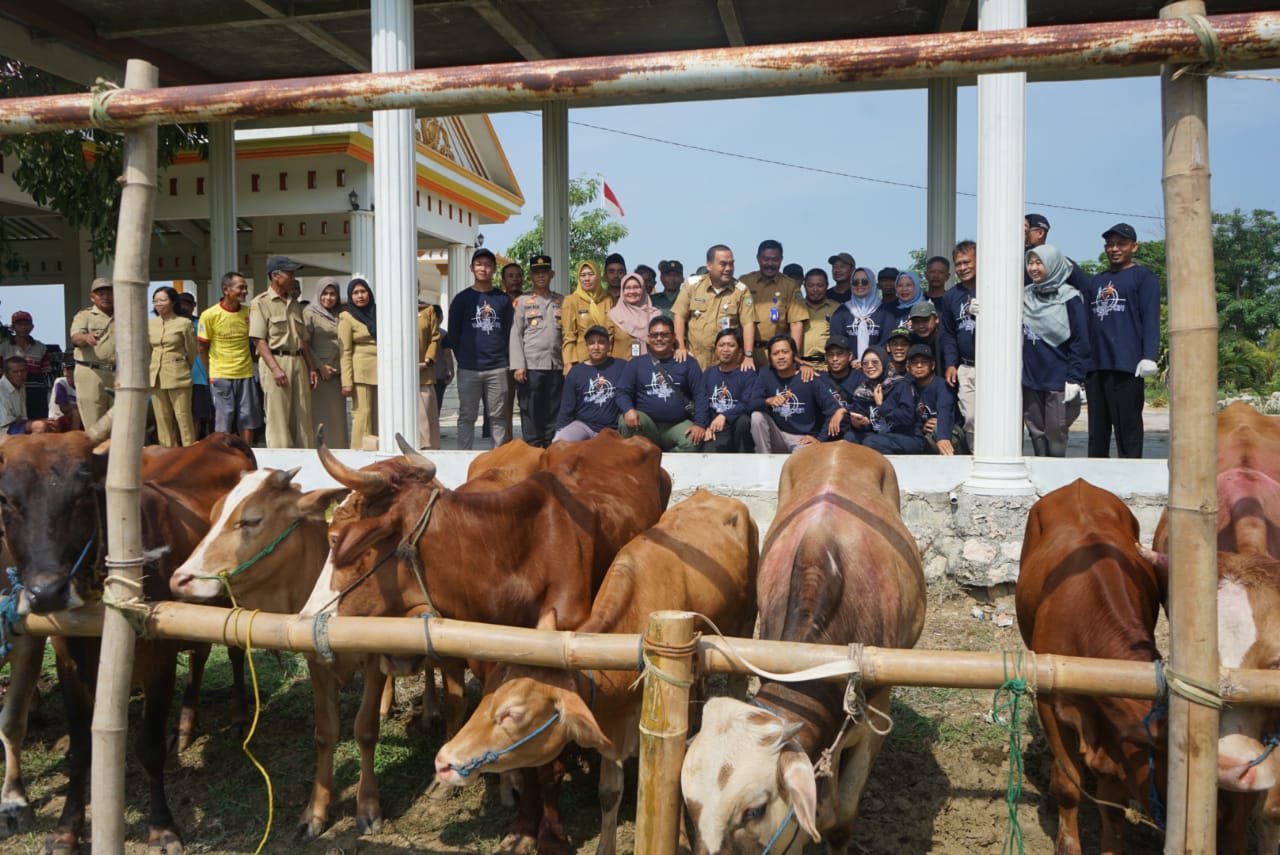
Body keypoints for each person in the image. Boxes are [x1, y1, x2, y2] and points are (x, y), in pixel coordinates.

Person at [1086, 223, 1161, 459]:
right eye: (1110, 244)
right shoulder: (1096, 282)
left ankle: (1131, 476)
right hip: (1097, 366)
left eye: (1121, 243)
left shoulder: (1143, 278)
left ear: (1134, 247)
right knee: (1097, 432)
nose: (1114, 248)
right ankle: (1094, 480)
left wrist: (1149, 355)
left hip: (1127, 366)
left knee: (1127, 429)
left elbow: (1150, 317)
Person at [1023, 244, 1091, 458]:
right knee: (1035, 430)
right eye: (1030, 262)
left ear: (1052, 265)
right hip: (1031, 377)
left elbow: (1081, 340)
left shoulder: (1069, 298)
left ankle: (1056, 477)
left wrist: (1074, 377)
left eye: (1039, 263)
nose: (1033, 268)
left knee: (1056, 430)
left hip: (1058, 378)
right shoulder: (1025, 295)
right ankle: (1040, 475)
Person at [449, 247, 514, 449]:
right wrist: (464, 358)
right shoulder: (461, 299)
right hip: (469, 368)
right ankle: (463, 457)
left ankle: (498, 458)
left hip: (497, 367)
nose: (483, 268)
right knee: (467, 415)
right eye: (479, 264)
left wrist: (504, 359)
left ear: (494, 269)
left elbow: (509, 333)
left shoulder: (502, 299)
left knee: (498, 416)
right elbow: (453, 334)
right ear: (472, 268)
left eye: (487, 265)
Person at [250, 255, 318, 448]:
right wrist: (275, 368)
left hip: (298, 361)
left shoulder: (294, 303)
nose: (293, 277)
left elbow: (303, 339)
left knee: (303, 416)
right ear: (275, 276)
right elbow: (258, 339)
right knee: (278, 415)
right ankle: (280, 462)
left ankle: (306, 458)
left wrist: (311, 368)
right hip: (276, 360)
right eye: (290, 273)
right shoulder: (261, 303)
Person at [616, 315, 704, 452]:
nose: (659, 339)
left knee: (692, 441)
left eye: (664, 335)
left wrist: (700, 424)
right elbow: (622, 392)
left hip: (676, 424)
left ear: (674, 337)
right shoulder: (636, 364)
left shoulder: (688, 363)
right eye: (655, 335)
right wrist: (628, 410)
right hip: (646, 424)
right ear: (649, 338)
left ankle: (664, 464)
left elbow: (701, 395)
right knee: (624, 421)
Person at [199, 272, 261, 446]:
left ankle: (246, 453)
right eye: (240, 287)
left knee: (247, 418)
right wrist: (211, 373)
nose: (245, 291)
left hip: (246, 373)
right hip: (221, 375)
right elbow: (202, 347)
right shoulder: (209, 315)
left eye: (245, 288)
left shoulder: (248, 313)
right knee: (224, 419)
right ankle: (222, 456)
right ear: (226, 290)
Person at [509, 254, 564, 448]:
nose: (541, 276)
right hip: (531, 365)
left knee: (553, 408)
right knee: (530, 409)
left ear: (552, 274)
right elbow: (515, 334)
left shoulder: (561, 301)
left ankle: (550, 446)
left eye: (545, 272)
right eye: (536, 273)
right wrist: (517, 366)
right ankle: (532, 447)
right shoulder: (523, 302)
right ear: (531, 276)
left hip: (556, 364)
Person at [672, 244, 756, 370]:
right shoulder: (692, 286)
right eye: (723, 264)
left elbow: (748, 324)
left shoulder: (741, 290)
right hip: (695, 361)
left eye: (731, 264)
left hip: (726, 365)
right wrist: (681, 347)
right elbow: (679, 316)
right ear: (709, 265)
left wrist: (748, 355)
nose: (728, 268)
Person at [750, 335, 837, 453]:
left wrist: (820, 439)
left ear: (794, 354)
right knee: (757, 417)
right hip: (778, 436)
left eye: (785, 352)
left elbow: (833, 409)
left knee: (801, 466)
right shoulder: (766, 373)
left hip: (802, 440)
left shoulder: (808, 376)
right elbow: (751, 404)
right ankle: (763, 462)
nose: (780, 357)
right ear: (770, 358)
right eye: (775, 353)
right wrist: (768, 401)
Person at [553, 325, 628, 443]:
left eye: (601, 342)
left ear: (609, 346)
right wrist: (559, 431)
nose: (596, 347)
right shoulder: (576, 372)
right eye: (591, 343)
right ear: (586, 346)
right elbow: (566, 409)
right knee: (559, 442)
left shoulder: (621, 366)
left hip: (612, 428)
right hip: (583, 425)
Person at [938, 239, 978, 450]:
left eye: (967, 262)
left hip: (993, 367)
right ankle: (976, 457)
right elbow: (949, 334)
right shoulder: (951, 296)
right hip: (966, 367)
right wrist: (951, 364)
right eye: (959, 264)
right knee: (970, 418)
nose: (962, 268)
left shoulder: (992, 288)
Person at [741, 239, 805, 368]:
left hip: (777, 355)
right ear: (758, 258)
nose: (770, 264)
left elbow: (796, 323)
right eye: (766, 259)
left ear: (781, 259)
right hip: (746, 354)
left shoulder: (790, 286)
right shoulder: (744, 282)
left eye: (775, 260)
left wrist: (794, 355)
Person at [697, 327, 762, 453]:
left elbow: (747, 403)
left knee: (744, 421)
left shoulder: (747, 373)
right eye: (721, 345)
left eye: (731, 345)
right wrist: (704, 426)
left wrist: (725, 415)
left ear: (739, 350)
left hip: (737, 428)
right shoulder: (708, 373)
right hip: (716, 428)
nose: (725, 349)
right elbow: (702, 403)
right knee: (709, 455)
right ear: (715, 349)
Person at [148, 286, 198, 447]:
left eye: (162, 300)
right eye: (155, 301)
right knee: (162, 418)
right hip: (156, 377)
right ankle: (166, 452)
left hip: (178, 375)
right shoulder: (151, 324)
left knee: (183, 416)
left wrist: (183, 367)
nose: (158, 304)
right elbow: (149, 350)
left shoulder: (184, 323)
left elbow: (192, 351)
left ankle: (189, 451)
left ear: (173, 302)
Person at [305, 277, 349, 450]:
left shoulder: (341, 315)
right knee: (321, 416)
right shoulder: (310, 314)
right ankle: (321, 452)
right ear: (318, 294)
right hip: (321, 376)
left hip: (338, 374)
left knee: (337, 418)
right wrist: (319, 366)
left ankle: (339, 452)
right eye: (325, 293)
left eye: (332, 294)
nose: (328, 298)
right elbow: (304, 344)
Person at [69, 277, 116, 428]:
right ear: (92, 297)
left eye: (109, 293)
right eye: (100, 294)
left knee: (120, 423)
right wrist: (85, 337)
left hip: (118, 374)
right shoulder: (84, 316)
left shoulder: (125, 315)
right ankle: (95, 452)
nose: (106, 297)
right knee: (94, 424)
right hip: (91, 372)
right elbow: (75, 338)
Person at [339, 277, 379, 449]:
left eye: (363, 291)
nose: (360, 296)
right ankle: (358, 453)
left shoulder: (379, 312)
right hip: (361, 372)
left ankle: (380, 451)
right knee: (362, 416)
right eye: (355, 293)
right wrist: (346, 382)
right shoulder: (346, 317)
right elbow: (345, 351)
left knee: (379, 416)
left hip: (383, 370)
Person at [830, 266, 894, 358]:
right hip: (848, 367)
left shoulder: (885, 312)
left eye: (864, 281)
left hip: (877, 366)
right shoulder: (842, 311)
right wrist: (850, 360)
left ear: (872, 283)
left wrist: (868, 361)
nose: (860, 285)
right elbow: (837, 341)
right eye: (855, 282)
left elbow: (886, 341)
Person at [561, 259, 612, 372]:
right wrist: (569, 363)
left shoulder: (607, 299)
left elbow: (611, 331)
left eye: (590, 274)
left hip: (607, 359)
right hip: (582, 360)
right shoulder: (571, 301)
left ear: (598, 276)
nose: (587, 279)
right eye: (583, 275)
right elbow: (568, 335)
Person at [906, 344, 956, 455]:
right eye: (915, 362)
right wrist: (921, 428)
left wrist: (942, 437)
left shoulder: (942, 384)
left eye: (924, 362)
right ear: (908, 367)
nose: (919, 365)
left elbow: (945, 410)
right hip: (923, 435)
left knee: (938, 429)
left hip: (947, 432)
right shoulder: (907, 386)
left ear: (932, 365)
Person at [176, 292, 213, 439]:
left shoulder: (201, 323)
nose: (184, 307)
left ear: (193, 306)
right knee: (177, 415)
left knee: (198, 415)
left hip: (199, 376)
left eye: (187, 304)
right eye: (181, 303)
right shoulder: (172, 323)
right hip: (178, 375)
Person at [0, 310, 50, 419]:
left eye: (26, 324)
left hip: (35, 392)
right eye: (19, 324)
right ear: (13, 327)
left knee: (38, 424)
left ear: (32, 327)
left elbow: (46, 374)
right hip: (11, 393)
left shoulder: (41, 348)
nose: (23, 327)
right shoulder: (3, 348)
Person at [1024, 212, 1091, 290]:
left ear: (1040, 233)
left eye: (1026, 231)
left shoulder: (1060, 263)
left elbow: (1086, 288)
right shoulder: (1013, 256)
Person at [608, 272, 661, 359]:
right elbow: (607, 348)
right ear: (622, 291)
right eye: (628, 288)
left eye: (636, 287)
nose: (632, 291)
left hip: (649, 369)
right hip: (621, 369)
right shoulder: (613, 316)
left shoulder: (655, 316)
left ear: (643, 289)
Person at [797, 268, 843, 365]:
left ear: (827, 286)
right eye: (811, 285)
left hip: (828, 365)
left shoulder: (837, 308)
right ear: (804, 286)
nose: (815, 289)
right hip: (801, 364)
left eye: (820, 285)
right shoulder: (796, 307)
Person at [0, 357, 56, 434]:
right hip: (5, 430)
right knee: (40, 426)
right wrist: (41, 421)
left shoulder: (21, 386)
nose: (20, 374)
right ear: (6, 374)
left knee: (53, 425)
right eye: (15, 372)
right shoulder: (1, 389)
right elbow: (9, 423)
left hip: (17, 425)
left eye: (22, 371)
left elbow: (23, 418)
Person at [417, 290, 442, 449]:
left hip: (423, 372)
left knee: (425, 415)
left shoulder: (428, 310)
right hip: (398, 374)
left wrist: (427, 360)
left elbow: (435, 337)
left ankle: (428, 449)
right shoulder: (387, 309)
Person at [432, 304, 453, 418]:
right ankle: (436, 429)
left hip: (424, 374)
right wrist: (451, 371)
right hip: (440, 375)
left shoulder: (419, 333)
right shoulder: (444, 334)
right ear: (441, 317)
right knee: (437, 403)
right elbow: (447, 355)